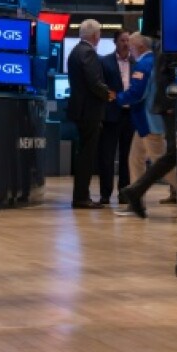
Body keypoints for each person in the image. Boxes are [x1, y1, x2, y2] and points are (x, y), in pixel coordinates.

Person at [113, 34, 177, 219]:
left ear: (140, 47)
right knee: (135, 159)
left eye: (131, 46)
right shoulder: (154, 61)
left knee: (161, 163)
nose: (129, 49)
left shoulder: (144, 64)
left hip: (149, 122)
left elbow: (137, 93)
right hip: (145, 122)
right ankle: (136, 200)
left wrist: (117, 98)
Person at [65, 18, 114, 209]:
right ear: (95, 35)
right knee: (86, 155)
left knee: (83, 153)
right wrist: (108, 94)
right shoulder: (88, 52)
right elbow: (94, 82)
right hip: (89, 111)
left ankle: (81, 196)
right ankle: (81, 197)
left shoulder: (75, 51)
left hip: (80, 110)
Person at [96, 30, 133, 205]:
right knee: (107, 156)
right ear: (115, 42)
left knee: (127, 156)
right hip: (111, 114)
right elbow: (101, 86)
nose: (126, 43)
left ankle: (124, 192)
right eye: (122, 40)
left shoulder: (136, 62)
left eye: (128, 40)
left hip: (130, 115)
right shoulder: (105, 61)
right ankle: (105, 194)